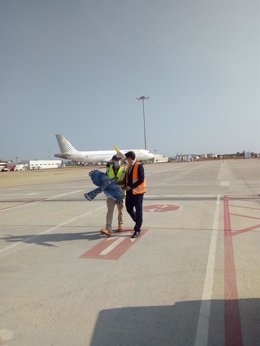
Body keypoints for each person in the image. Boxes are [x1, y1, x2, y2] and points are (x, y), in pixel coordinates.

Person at [100, 155, 126, 236]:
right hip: (111, 195)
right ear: (112, 161)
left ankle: (120, 225)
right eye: (116, 160)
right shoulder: (108, 169)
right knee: (110, 212)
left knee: (120, 211)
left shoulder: (123, 169)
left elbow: (126, 182)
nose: (117, 161)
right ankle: (108, 229)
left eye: (118, 160)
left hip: (120, 194)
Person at [124, 151, 146, 238]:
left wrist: (131, 186)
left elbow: (141, 179)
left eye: (126, 158)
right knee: (128, 208)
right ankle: (138, 221)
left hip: (138, 192)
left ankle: (137, 229)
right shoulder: (128, 166)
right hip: (129, 192)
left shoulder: (139, 166)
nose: (126, 159)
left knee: (138, 210)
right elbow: (127, 179)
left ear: (130, 158)